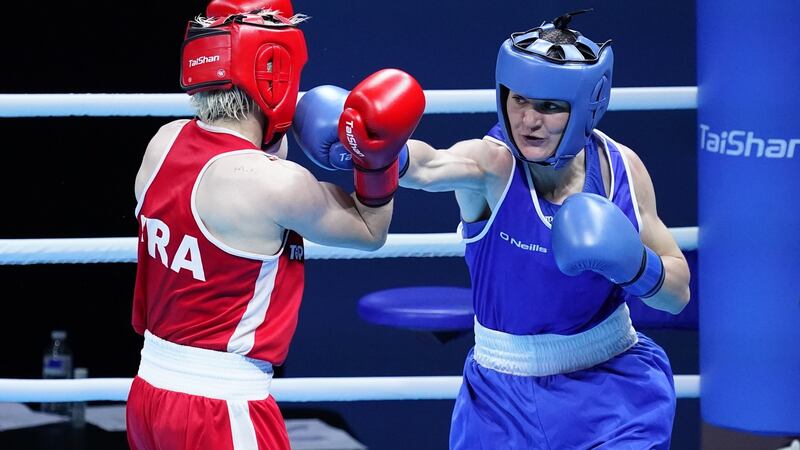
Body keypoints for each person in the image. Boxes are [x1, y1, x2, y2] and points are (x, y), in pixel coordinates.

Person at [298, 9, 690, 449]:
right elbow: (429, 166)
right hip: (501, 403)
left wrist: (635, 265)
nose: (528, 120)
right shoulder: (493, 165)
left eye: (549, 106)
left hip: (613, 394)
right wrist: (373, 147)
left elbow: (677, 295)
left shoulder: (621, 169)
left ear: (587, 108)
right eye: (518, 99)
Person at [126, 1, 426, 449]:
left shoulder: (163, 143)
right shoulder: (276, 184)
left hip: (149, 393)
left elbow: (242, 161)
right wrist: (374, 157)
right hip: (220, 406)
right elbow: (369, 230)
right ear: (276, 77)